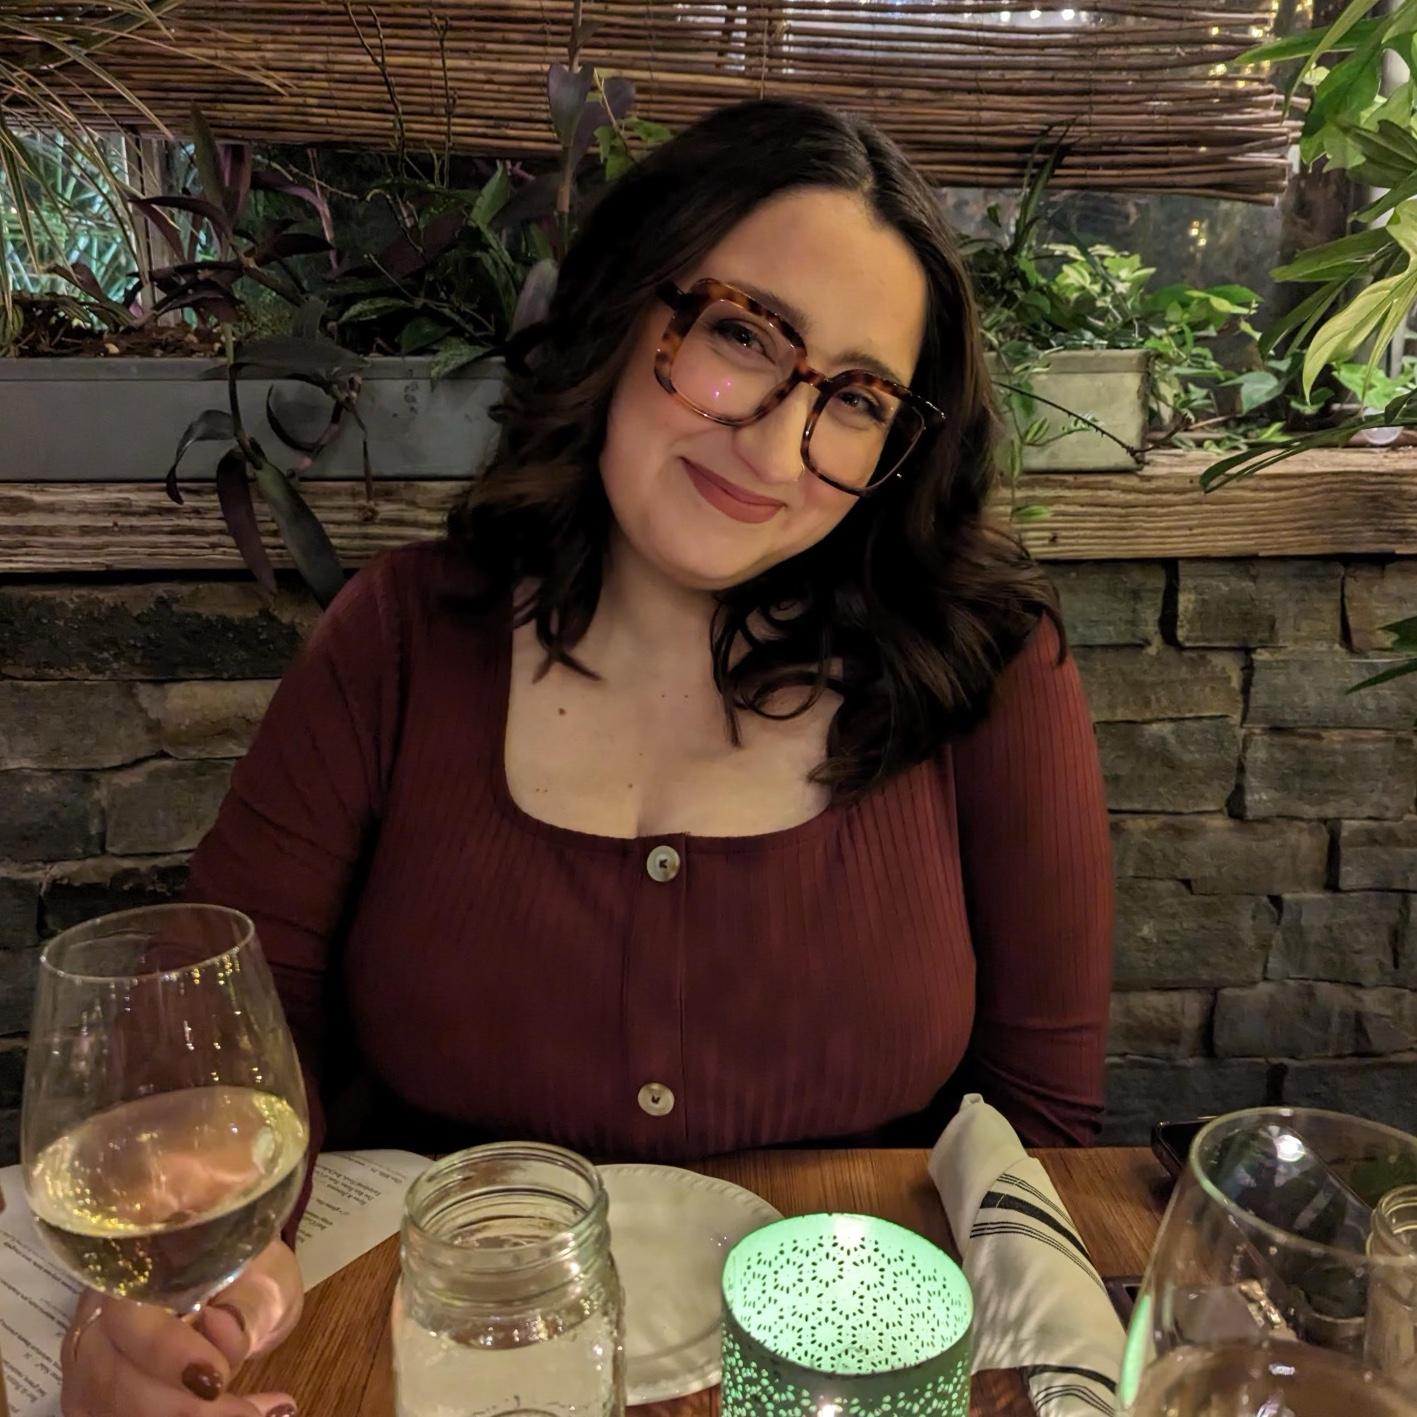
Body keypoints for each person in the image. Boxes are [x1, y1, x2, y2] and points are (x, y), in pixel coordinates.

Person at [60, 98, 1113, 1416]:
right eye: (742, 335)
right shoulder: (397, 642)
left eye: (853, 399)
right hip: (443, 1361)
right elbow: (225, 1048)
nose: (775, 447)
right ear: (621, 310)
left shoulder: (988, 674)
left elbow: (1036, 1139)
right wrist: (167, 1289)